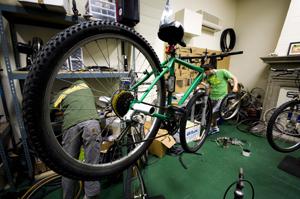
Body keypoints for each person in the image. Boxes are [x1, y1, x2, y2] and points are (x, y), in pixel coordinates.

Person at [52, 80, 101, 199]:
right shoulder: (83, 85)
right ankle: (90, 195)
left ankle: (68, 196)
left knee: (69, 166)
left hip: (70, 126)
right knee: (92, 164)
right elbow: (93, 104)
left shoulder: (60, 95)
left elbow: (52, 112)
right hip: (91, 124)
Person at [204, 66, 238, 134]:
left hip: (222, 97)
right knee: (212, 114)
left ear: (210, 69)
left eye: (205, 72)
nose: (205, 74)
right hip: (212, 97)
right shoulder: (208, 77)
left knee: (212, 113)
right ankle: (215, 127)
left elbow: (234, 78)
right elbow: (208, 87)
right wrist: (206, 95)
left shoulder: (222, 71)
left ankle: (209, 129)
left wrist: (235, 87)